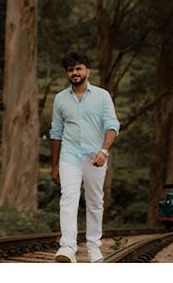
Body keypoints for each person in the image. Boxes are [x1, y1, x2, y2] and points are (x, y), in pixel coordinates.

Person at [49, 53, 120, 263]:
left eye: (78, 68)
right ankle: (67, 248)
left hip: (95, 156)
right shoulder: (60, 98)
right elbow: (56, 132)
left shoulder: (102, 96)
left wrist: (104, 151)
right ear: (67, 74)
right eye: (70, 70)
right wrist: (54, 166)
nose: (75, 73)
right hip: (69, 156)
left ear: (87, 71)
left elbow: (112, 126)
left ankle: (93, 247)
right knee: (68, 199)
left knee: (95, 201)